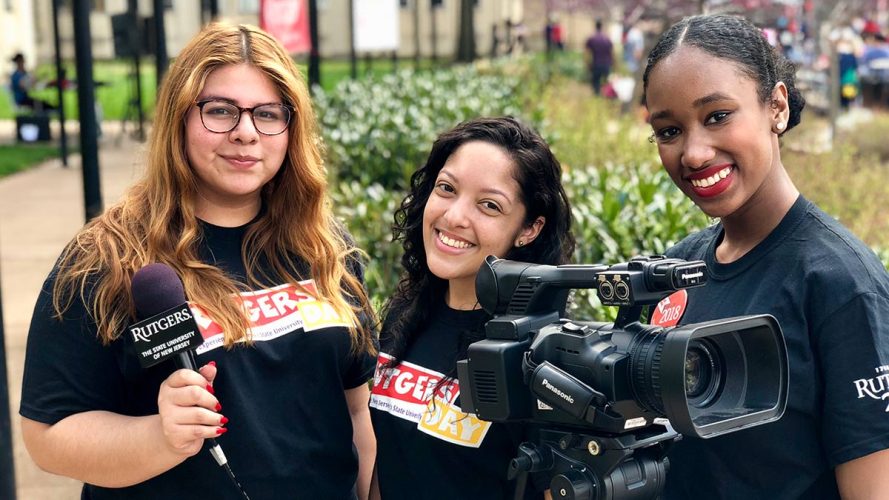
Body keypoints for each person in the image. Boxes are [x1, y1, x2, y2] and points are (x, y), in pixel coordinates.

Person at [19, 22, 377, 500]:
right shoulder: (105, 258)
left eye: (268, 114)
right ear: (179, 119)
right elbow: (48, 436)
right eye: (221, 111)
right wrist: (160, 437)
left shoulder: (326, 249)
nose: (246, 133)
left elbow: (356, 410)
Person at [643, 14, 889, 499]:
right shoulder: (675, 270)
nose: (693, 153)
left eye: (717, 116)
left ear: (776, 106)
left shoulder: (840, 284)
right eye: (669, 130)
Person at [369, 117, 575, 499]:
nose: (454, 216)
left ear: (529, 228)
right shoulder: (405, 315)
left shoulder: (541, 354)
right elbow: (388, 461)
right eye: (446, 188)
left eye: (489, 205)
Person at [585, 20, 613, 95]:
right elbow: (612, 52)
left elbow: (587, 53)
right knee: (606, 82)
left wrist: (587, 63)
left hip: (596, 63)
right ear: (602, 26)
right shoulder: (607, 38)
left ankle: (597, 97)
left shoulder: (592, 38)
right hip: (607, 63)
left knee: (596, 82)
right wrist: (613, 63)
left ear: (595, 26)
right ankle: (606, 96)